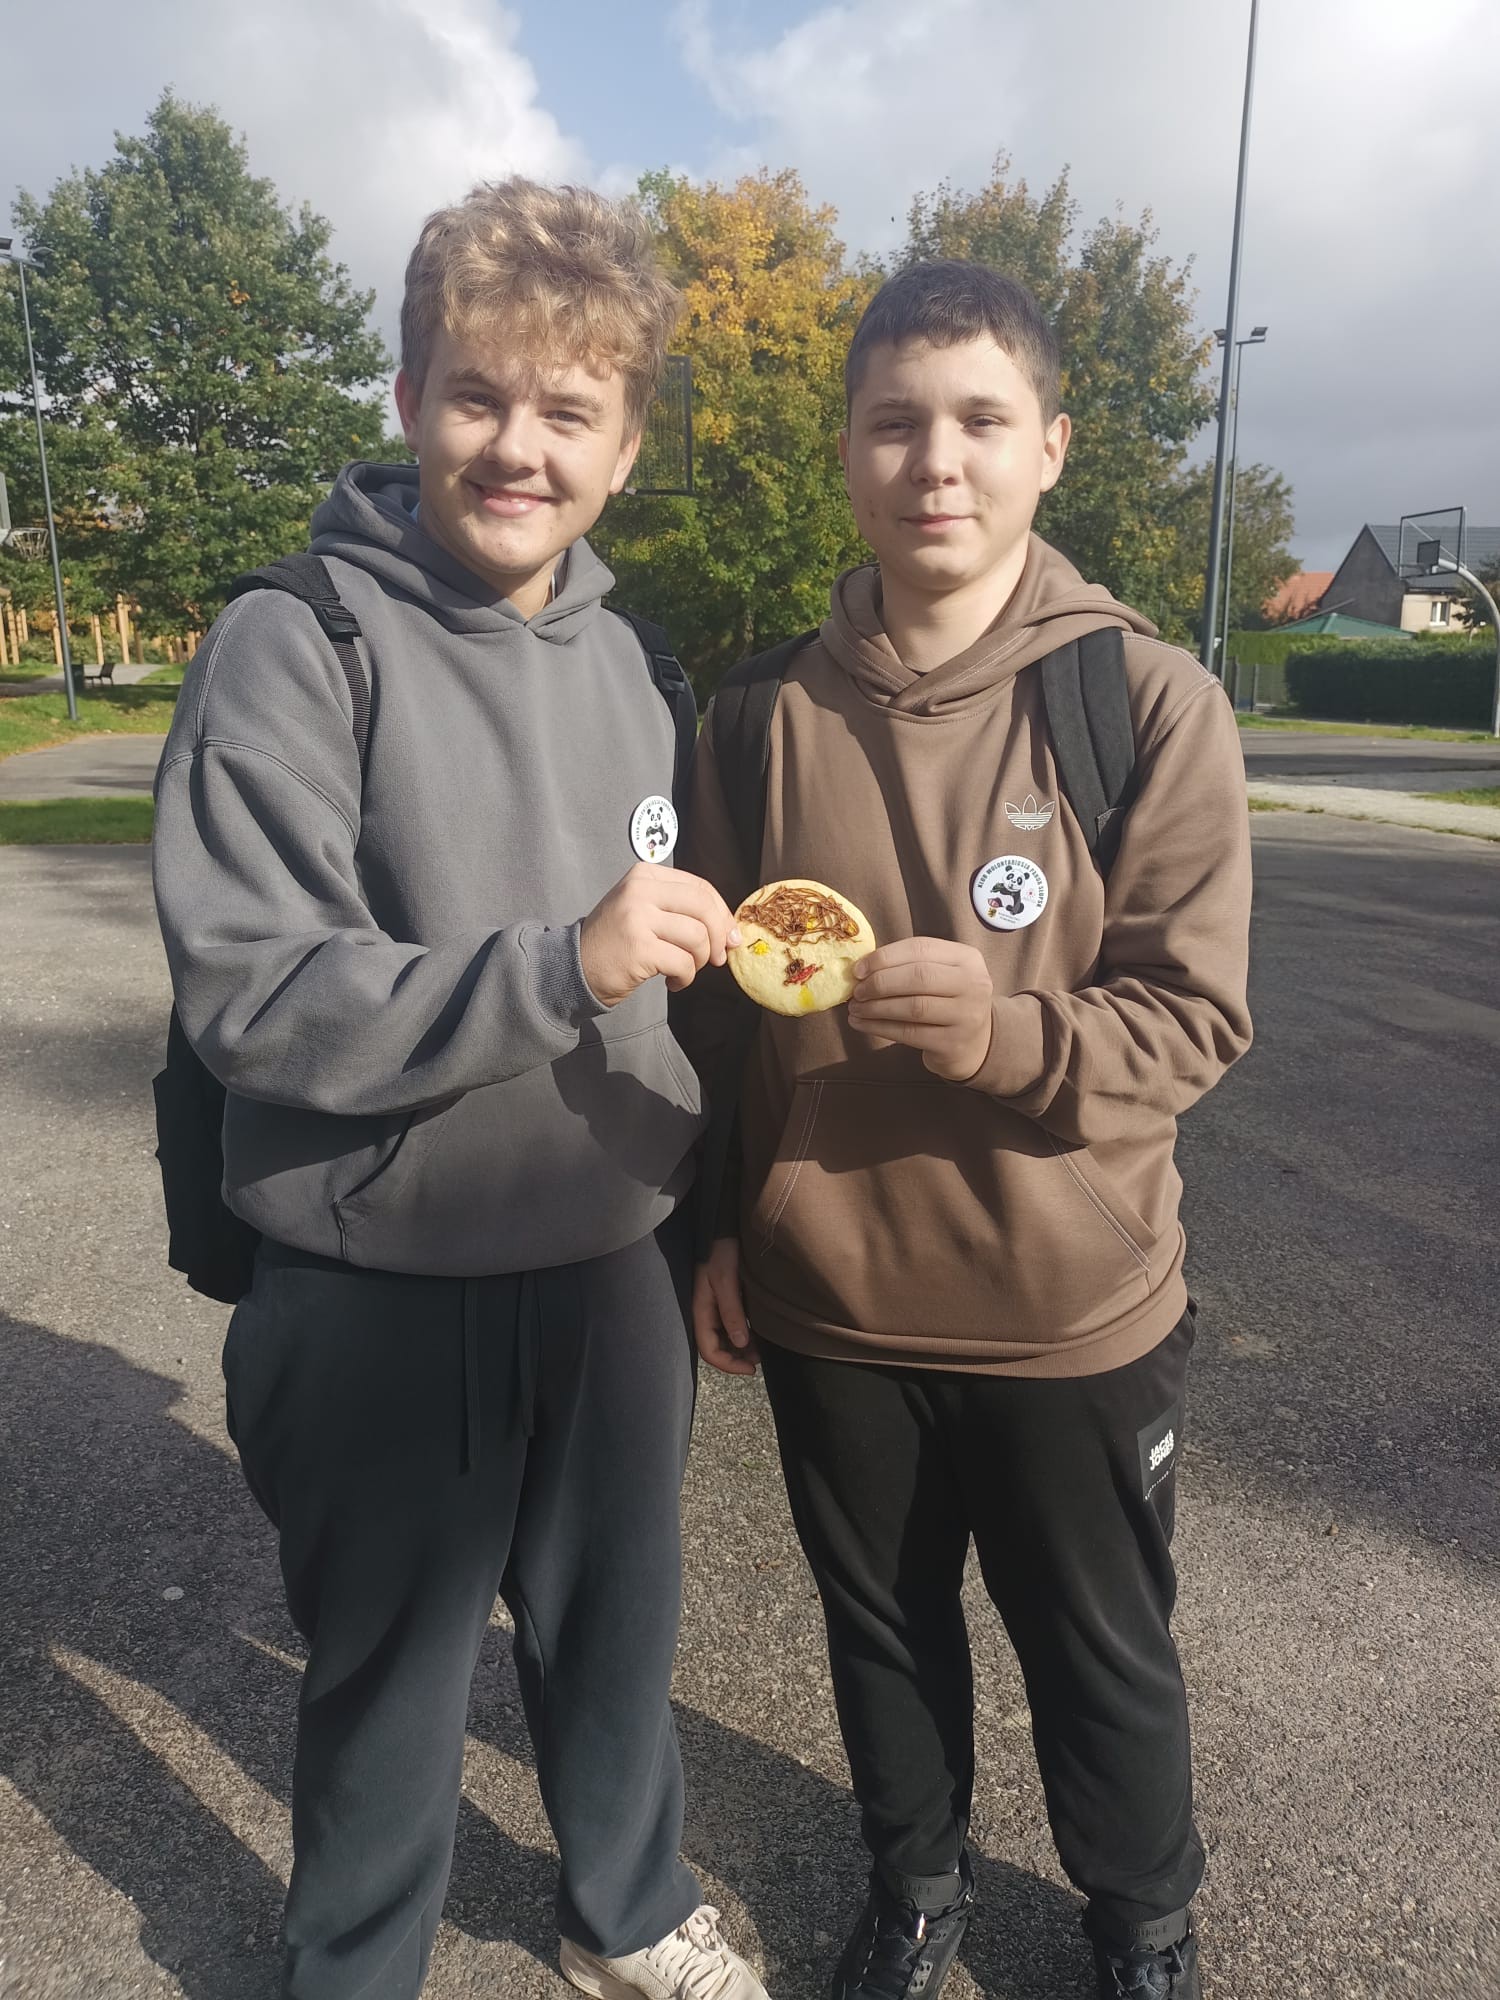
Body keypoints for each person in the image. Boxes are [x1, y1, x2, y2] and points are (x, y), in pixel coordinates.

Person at [153, 177, 770, 2000]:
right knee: (391, 1685)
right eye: (479, 394)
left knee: (617, 1647)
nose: (519, 447)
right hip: (373, 1275)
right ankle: (352, 1970)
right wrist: (561, 963)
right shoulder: (297, 639)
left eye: (571, 409)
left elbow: (663, 987)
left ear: (626, 445)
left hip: (607, 1259)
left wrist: (715, 1200)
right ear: (413, 394)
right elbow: (256, 993)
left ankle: (623, 1915)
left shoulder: (642, 666)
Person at [682, 259, 1253, 2000]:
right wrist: (719, 1224)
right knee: (881, 1634)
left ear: (1050, 448)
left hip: (1071, 1303)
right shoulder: (758, 715)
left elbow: (1197, 1017)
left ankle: (1140, 1927)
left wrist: (1007, 1035)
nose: (938, 460)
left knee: (1101, 1649)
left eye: (982, 421)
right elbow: (713, 1013)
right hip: (833, 1292)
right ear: (849, 453)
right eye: (896, 423)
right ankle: (918, 1892)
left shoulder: (1143, 702)